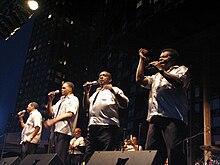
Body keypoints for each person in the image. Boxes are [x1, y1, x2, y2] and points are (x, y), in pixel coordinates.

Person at [136, 48, 190, 165]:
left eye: (165, 56)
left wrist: (160, 70)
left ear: (173, 59)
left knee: (174, 151)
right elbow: (139, 79)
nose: (161, 58)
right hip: (155, 117)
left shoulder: (181, 69)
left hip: (174, 117)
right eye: (160, 56)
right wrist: (142, 60)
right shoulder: (155, 77)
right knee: (152, 151)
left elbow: (179, 83)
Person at [83, 71, 129, 164]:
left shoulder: (115, 89)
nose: (101, 77)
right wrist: (86, 92)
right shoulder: (95, 93)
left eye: (104, 75)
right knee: (89, 155)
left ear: (110, 79)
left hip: (108, 126)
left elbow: (125, 104)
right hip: (92, 127)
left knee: (105, 155)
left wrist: (112, 90)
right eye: (100, 76)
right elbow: (86, 107)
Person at [44, 81, 79, 165]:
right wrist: (50, 101)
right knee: (50, 157)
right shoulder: (60, 101)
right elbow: (50, 113)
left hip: (64, 131)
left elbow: (70, 113)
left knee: (59, 157)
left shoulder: (74, 99)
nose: (61, 89)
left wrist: (54, 120)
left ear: (70, 89)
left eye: (64, 88)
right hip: (54, 131)